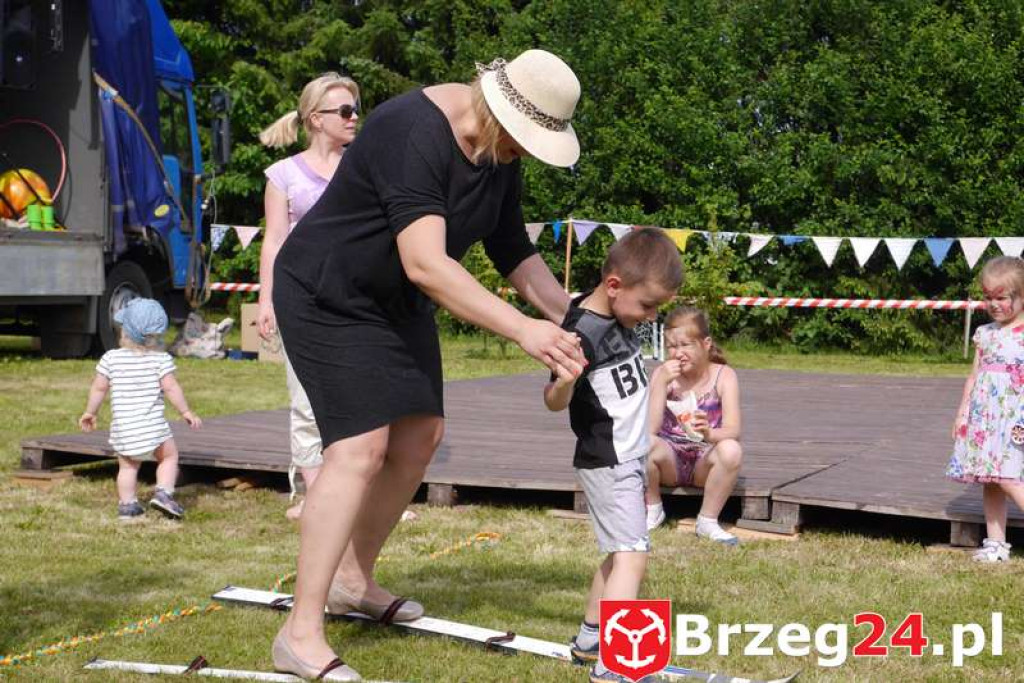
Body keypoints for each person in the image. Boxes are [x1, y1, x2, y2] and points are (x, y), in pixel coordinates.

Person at [270, 49, 587, 681]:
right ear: (500, 109)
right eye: (527, 139)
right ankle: (299, 634)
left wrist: (571, 315)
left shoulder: (499, 152)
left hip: (396, 301)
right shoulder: (411, 130)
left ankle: (352, 582)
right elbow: (426, 263)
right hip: (328, 292)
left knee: (419, 436)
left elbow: (511, 247)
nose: (525, 152)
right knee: (357, 447)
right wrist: (526, 330)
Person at [544, 228, 682, 683]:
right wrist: (564, 380)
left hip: (626, 456)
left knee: (618, 552)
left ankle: (590, 640)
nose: (651, 316)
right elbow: (552, 398)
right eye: (648, 306)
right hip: (609, 459)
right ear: (615, 285)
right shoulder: (581, 333)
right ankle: (617, 664)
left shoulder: (618, 319)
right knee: (632, 555)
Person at [258, 72, 361, 520]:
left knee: (359, 400)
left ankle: (358, 494)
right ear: (316, 119)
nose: (355, 117)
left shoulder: (362, 168)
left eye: (356, 108)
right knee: (305, 400)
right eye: (345, 110)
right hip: (302, 301)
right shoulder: (283, 175)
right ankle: (316, 495)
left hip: (358, 302)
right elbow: (274, 242)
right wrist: (266, 301)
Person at [78, 298, 202, 520]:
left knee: (127, 468)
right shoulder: (160, 360)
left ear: (124, 330)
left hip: (124, 431)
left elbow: (99, 388)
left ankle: (127, 506)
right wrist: (186, 412)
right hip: (152, 429)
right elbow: (171, 388)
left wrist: (91, 412)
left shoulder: (111, 358)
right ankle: (164, 493)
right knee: (169, 457)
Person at [644, 306, 744, 545]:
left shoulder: (724, 375)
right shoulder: (662, 374)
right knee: (641, 442)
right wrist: (660, 385)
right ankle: (653, 508)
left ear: (706, 343)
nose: (677, 353)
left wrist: (709, 432)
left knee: (731, 449)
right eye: (671, 346)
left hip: (704, 461)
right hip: (670, 459)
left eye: (685, 345)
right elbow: (649, 429)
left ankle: (707, 521)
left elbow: (733, 430)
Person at [948, 256, 1024, 563]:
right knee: (990, 479)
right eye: (988, 297)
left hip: (1014, 418)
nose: (994, 304)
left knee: (1009, 478)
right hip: (985, 419)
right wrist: (962, 412)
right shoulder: (985, 334)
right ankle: (996, 543)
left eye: (1002, 297)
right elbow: (974, 375)